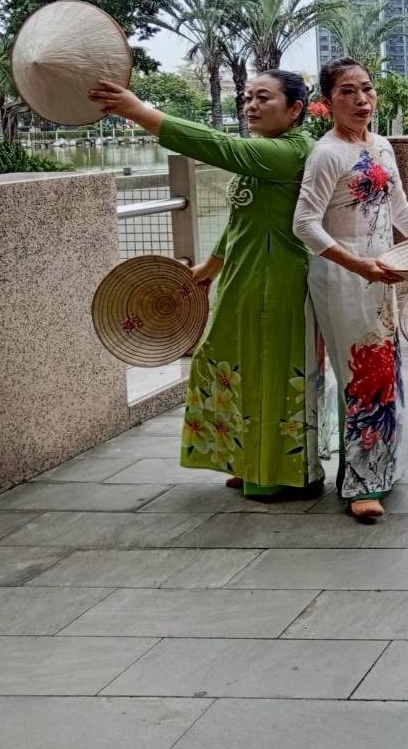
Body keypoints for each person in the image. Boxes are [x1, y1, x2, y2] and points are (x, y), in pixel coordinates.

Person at [88, 72, 322, 499]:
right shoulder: (260, 158)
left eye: (263, 98)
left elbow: (219, 145)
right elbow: (239, 222)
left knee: (272, 370)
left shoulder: (290, 152)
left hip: (279, 282)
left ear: (294, 110)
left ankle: (281, 472)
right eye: (246, 97)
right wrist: (209, 268)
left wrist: (140, 112)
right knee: (228, 363)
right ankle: (250, 459)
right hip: (243, 280)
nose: (250, 104)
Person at [293, 58, 408, 522]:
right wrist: (357, 265)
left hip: (381, 271)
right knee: (362, 375)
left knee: (384, 368)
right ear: (327, 102)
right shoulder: (326, 153)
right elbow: (304, 224)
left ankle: (380, 467)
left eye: (366, 89)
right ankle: (359, 485)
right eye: (347, 91)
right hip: (342, 277)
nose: (361, 99)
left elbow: (401, 210)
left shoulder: (382, 146)